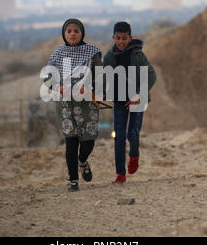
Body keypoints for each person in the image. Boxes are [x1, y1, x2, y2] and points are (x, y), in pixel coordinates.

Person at [44, 19, 102, 191]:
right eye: (69, 31)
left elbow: (100, 75)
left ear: (82, 32)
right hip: (66, 104)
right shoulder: (57, 54)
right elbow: (48, 77)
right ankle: (73, 181)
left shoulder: (92, 52)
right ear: (64, 34)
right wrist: (60, 87)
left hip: (88, 103)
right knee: (71, 140)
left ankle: (83, 161)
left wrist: (87, 87)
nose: (73, 34)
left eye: (76, 30)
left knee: (88, 140)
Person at [103, 21, 157, 184]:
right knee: (119, 136)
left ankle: (134, 155)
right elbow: (103, 78)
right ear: (113, 37)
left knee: (132, 133)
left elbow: (152, 75)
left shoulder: (137, 55)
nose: (121, 41)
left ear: (130, 37)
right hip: (119, 101)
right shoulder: (109, 56)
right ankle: (120, 174)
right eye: (118, 38)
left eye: (124, 38)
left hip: (137, 100)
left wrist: (140, 95)